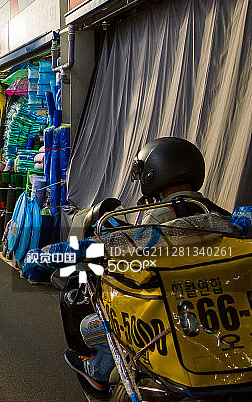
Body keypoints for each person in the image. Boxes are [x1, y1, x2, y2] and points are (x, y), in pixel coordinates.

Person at [64, 137, 229, 390]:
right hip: (214, 316)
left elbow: (133, 267)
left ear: (155, 172)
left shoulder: (159, 217)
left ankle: (99, 372)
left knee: (90, 325)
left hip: (165, 318)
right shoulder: (217, 214)